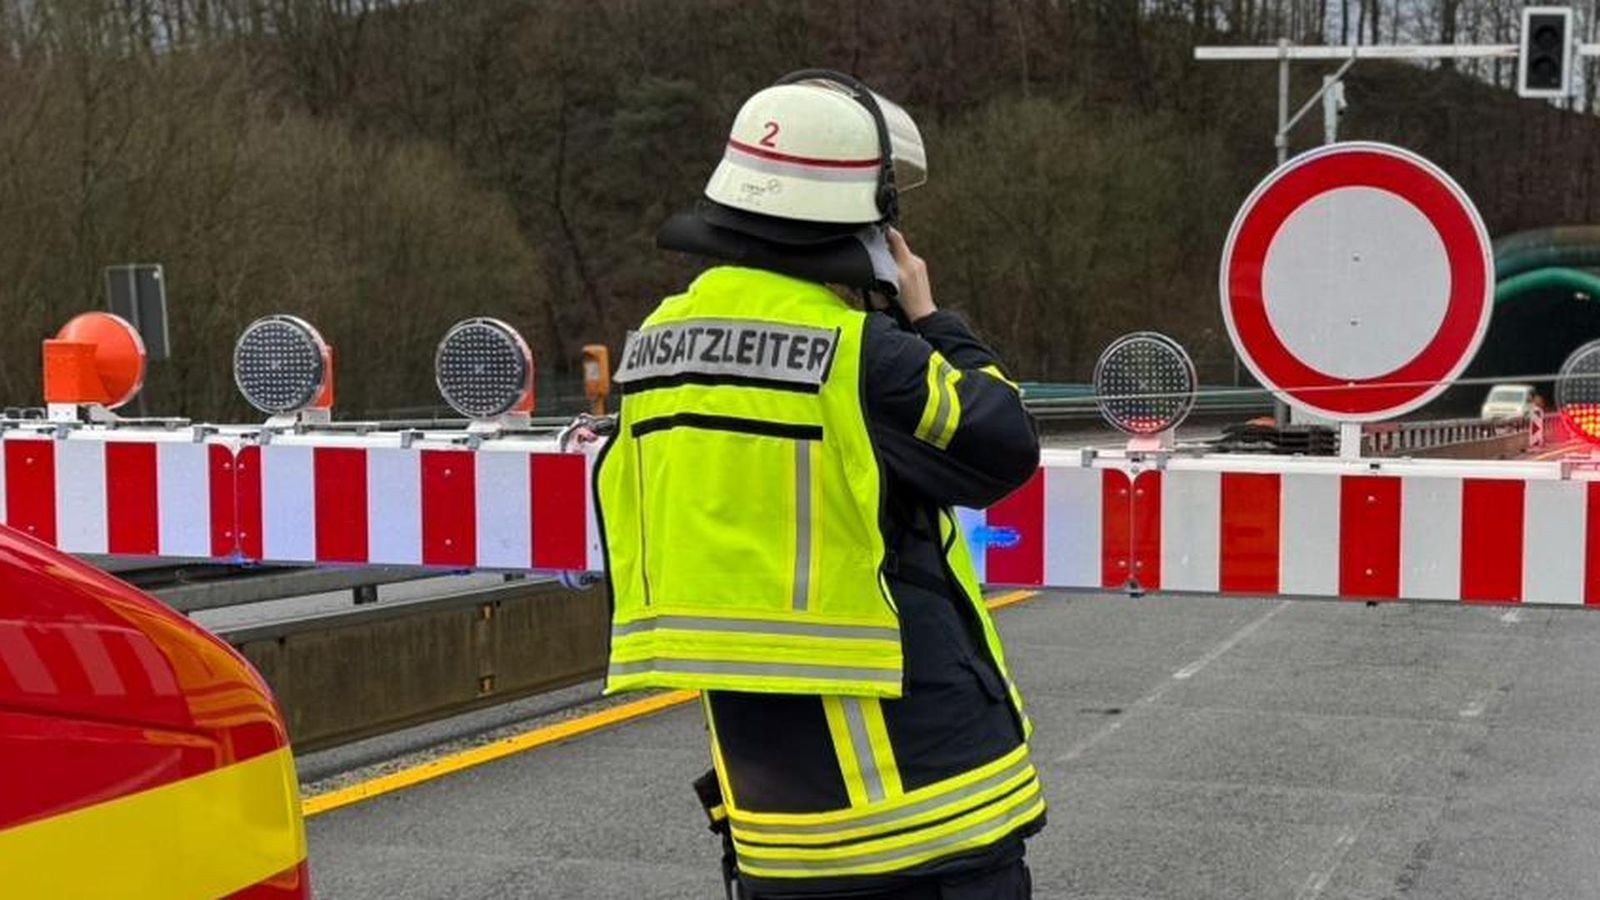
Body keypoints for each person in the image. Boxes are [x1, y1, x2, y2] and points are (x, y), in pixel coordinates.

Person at [593, 70, 1044, 899]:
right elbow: (1004, 443)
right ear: (868, 221)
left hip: (776, 823)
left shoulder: (651, 351)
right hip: (925, 809)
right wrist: (933, 320)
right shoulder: (859, 354)